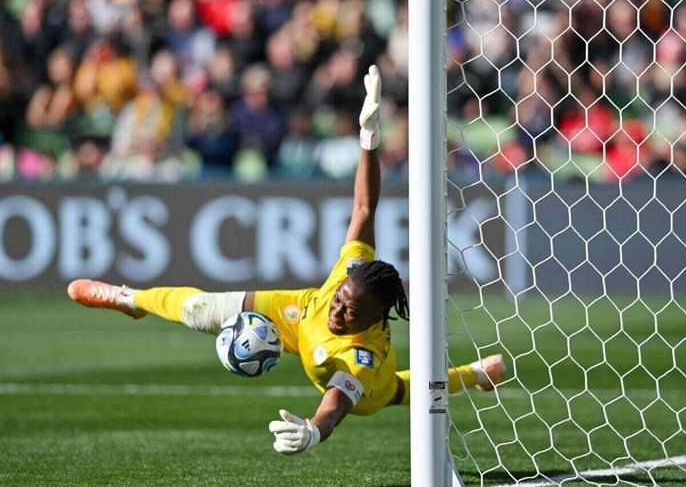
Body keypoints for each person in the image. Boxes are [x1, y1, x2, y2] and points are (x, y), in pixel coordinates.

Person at [66, 65, 505, 455]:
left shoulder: (361, 358)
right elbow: (364, 209)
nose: (339, 307)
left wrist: (315, 430)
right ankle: (130, 298)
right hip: (297, 315)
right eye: (341, 298)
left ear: (375, 318)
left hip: (361, 383)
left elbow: (336, 403)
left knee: (399, 390)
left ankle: (471, 375)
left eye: (350, 310)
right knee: (202, 309)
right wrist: (368, 139)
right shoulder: (346, 282)